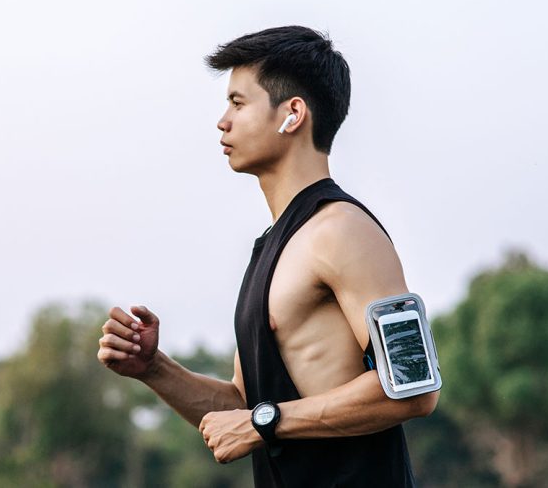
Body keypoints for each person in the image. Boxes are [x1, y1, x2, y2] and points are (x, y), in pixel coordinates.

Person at [96, 26, 437, 487]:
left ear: (292, 114)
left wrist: (264, 421)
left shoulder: (343, 230)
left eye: (238, 103)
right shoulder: (274, 246)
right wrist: (154, 368)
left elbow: (414, 388)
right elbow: (244, 407)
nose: (223, 121)